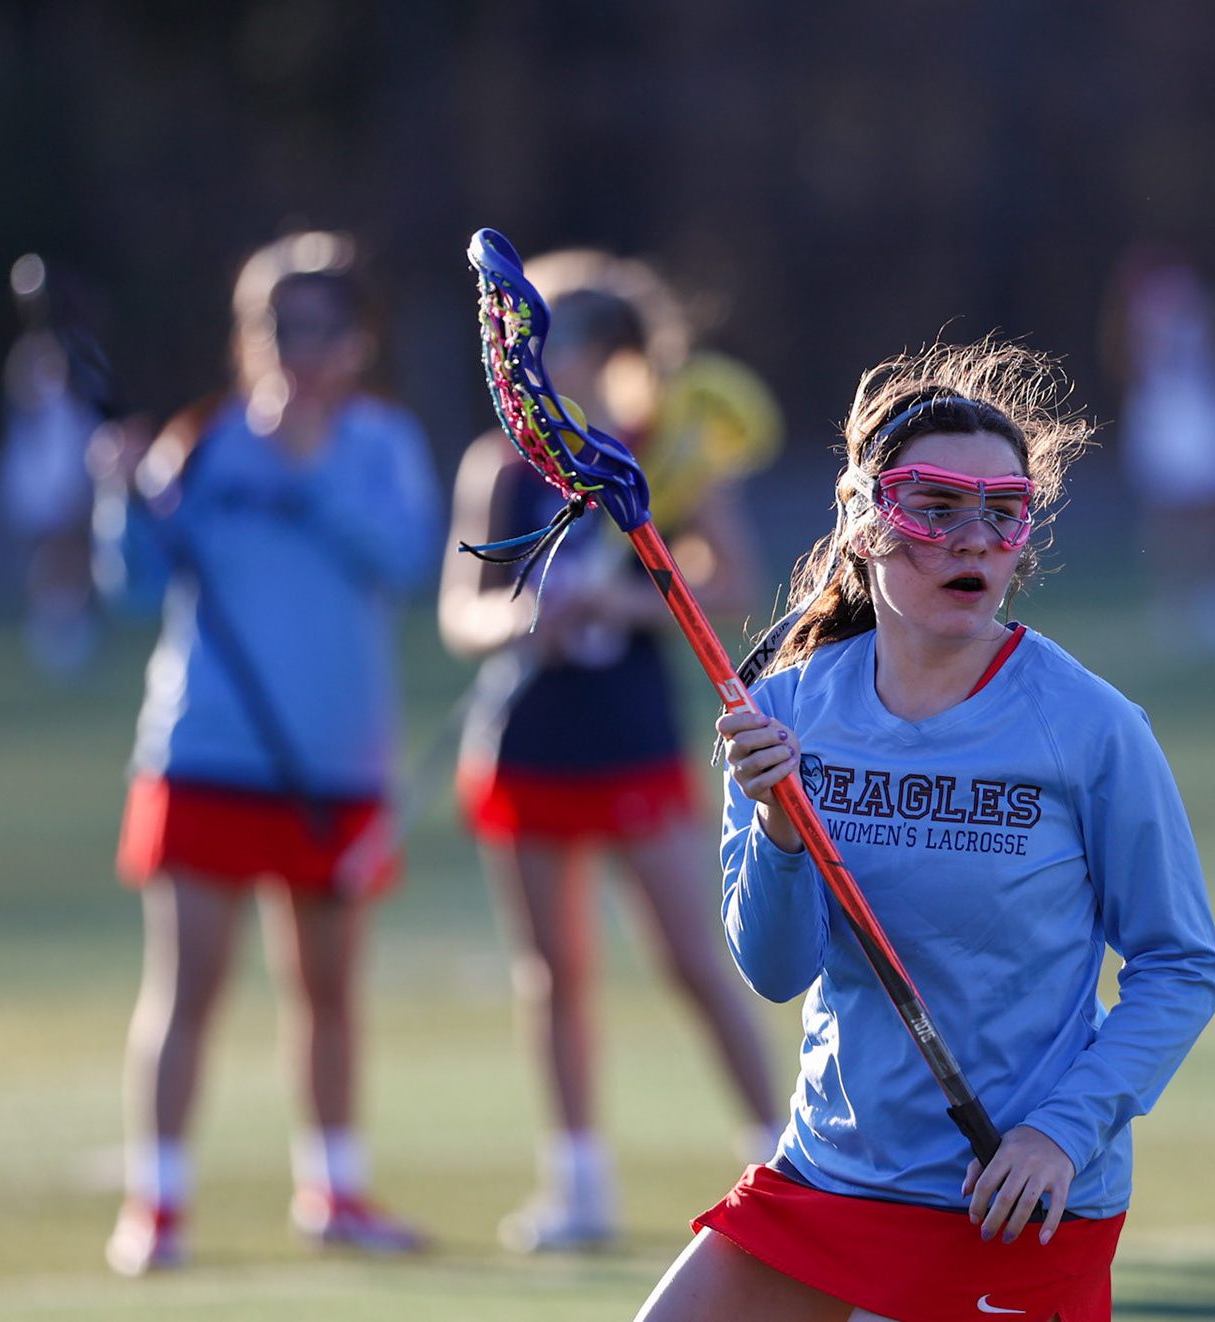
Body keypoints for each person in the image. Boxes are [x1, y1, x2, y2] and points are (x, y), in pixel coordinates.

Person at [637, 340, 1215, 1322]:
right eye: (936, 506)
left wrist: (1061, 1133)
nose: (973, 539)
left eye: (1004, 511)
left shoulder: (1091, 726)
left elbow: (1180, 964)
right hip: (831, 1176)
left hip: (1014, 1195)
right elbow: (776, 970)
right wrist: (782, 829)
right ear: (867, 521)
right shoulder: (784, 710)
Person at [95, 232, 441, 1274]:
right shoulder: (201, 442)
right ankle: (155, 1203)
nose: (297, 348)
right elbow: (136, 588)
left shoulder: (380, 442)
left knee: (327, 985)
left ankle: (333, 1187)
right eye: (276, 328)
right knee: (188, 983)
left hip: (333, 760)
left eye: (319, 328)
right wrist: (124, 494)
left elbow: (404, 555)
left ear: (357, 338)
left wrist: (309, 470)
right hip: (206, 747)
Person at [439, 249, 785, 1252]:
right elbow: (460, 611)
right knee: (552, 971)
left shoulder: (657, 456)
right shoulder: (499, 468)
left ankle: (778, 1158)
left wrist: (620, 599)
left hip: (629, 736)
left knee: (691, 954)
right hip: (527, 739)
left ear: (599, 353)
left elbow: (727, 579)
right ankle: (578, 1180)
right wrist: (520, 623)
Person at [1103, 245, 1215, 663]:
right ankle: (1184, 601)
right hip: (1171, 416)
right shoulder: (1155, 309)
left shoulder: (1182, 304)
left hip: (1199, 413)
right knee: (1181, 512)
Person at [0, 253, 118, 678]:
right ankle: (56, 638)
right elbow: (27, 404)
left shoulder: (84, 354)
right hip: (42, 474)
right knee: (53, 554)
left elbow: (99, 408)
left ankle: (77, 635)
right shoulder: (28, 356)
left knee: (78, 553)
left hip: (78, 466)